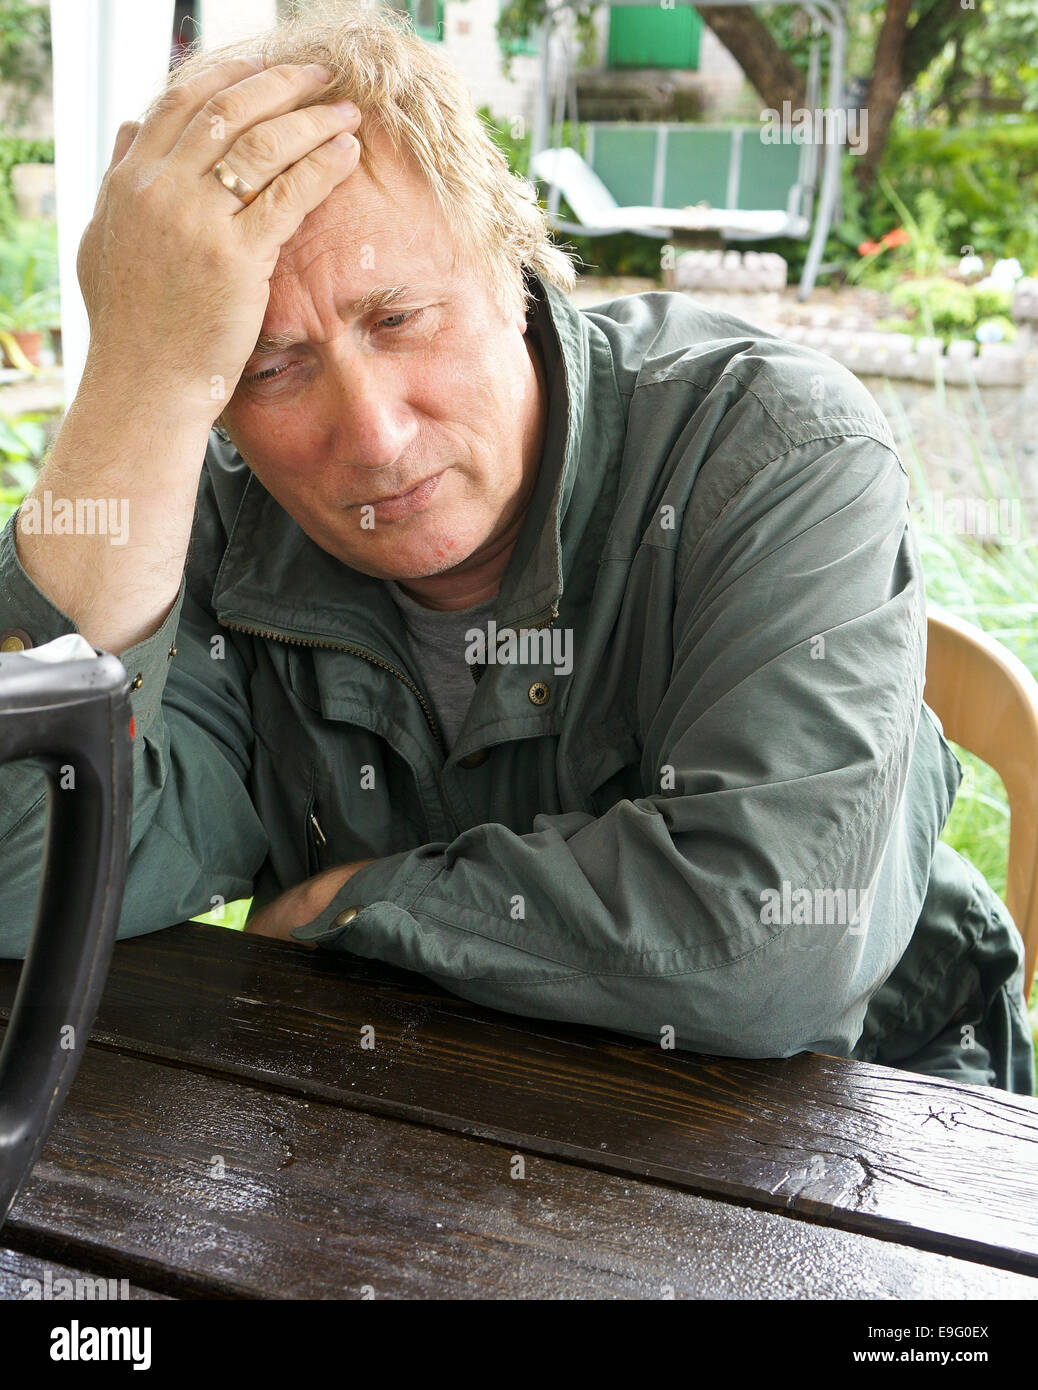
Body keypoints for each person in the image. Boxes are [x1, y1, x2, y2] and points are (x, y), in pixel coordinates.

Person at [0, 5, 1031, 1094]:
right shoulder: (222, 518)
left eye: (399, 319)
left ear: (512, 256)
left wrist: (364, 904)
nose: (376, 435)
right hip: (419, 1121)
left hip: (863, 1123)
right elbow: (27, 875)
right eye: (269, 369)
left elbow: (769, 947)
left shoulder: (772, 450)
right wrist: (138, 383)